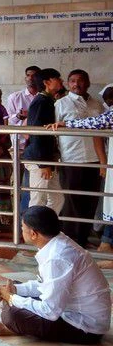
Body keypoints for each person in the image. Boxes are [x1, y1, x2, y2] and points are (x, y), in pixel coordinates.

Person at [0, 206, 110, 343]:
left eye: (22, 227)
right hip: (68, 308)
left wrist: (12, 298)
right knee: (16, 287)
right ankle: (17, 325)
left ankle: (13, 327)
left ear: (33, 234)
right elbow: (46, 286)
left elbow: (50, 311)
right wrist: (14, 290)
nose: (21, 230)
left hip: (86, 328)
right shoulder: (58, 241)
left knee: (12, 315)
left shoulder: (57, 257)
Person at [49, 104, 113, 260]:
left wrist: (68, 123)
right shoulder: (62, 104)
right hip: (73, 160)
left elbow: (98, 122)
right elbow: (99, 121)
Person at [52, 69, 106, 248]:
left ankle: (82, 239)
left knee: (90, 201)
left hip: (94, 160)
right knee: (72, 202)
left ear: (88, 82)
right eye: (72, 81)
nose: (77, 84)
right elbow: (52, 130)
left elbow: (100, 133)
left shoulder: (97, 104)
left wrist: (103, 162)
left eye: (81, 80)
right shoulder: (61, 103)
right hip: (71, 159)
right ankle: (70, 241)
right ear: (67, 84)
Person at [22, 68, 64, 213]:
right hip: (39, 159)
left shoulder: (47, 100)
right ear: (47, 82)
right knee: (37, 200)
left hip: (46, 159)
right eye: (57, 78)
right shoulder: (41, 102)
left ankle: (46, 230)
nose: (61, 81)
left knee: (57, 198)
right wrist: (43, 163)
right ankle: (30, 232)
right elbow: (37, 134)